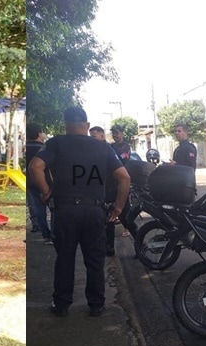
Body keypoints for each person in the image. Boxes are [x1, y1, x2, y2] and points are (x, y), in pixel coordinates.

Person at [29, 107, 130, 317]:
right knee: (94, 259)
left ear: (65, 124)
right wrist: (118, 207)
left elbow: (35, 167)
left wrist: (46, 191)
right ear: (86, 125)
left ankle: (62, 304)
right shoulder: (103, 147)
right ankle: (96, 305)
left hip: (65, 211)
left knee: (65, 258)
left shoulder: (56, 143)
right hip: (94, 210)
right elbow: (125, 177)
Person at [91, 126, 137, 256]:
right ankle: (109, 248)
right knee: (108, 220)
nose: (116, 136)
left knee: (125, 218)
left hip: (119, 188)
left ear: (102, 136)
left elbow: (123, 163)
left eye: (94, 136)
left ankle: (141, 245)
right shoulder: (98, 150)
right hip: (105, 189)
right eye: (114, 133)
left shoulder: (118, 148)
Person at [25, 122, 52, 244]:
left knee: (39, 210)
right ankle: (55, 234)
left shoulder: (26, 148)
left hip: (30, 183)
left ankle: (46, 236)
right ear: (39, 133)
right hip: (46, 182)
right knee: (54, 209)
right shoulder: (44, 148)